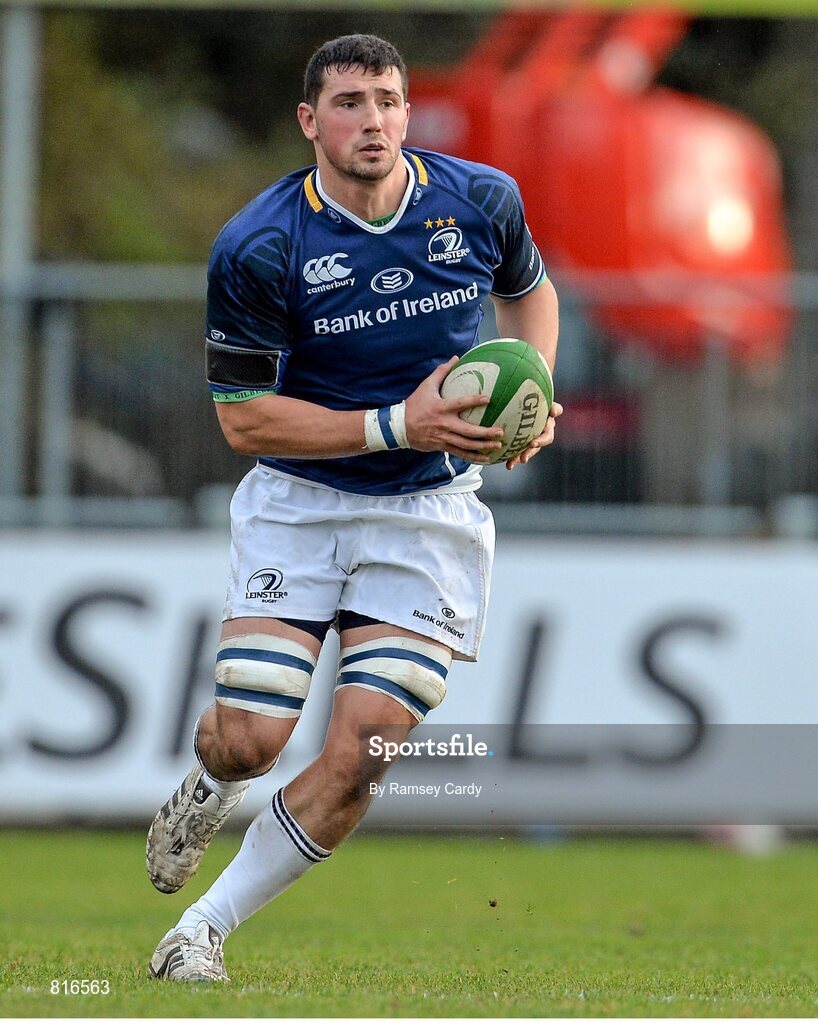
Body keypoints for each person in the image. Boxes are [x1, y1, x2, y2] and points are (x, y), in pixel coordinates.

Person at [146, 32, 561, 983]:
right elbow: (246, 424)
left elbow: (530, 296)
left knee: (366, 747)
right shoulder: (258, 244)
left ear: (407, 113)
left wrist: (536, 391)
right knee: (252, 740)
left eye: (386, 100)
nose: (370, 119)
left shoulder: (480, 200)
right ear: (309, 122)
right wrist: (399, 423)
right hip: (303, 503)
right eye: (348, 103)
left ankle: (198, 933)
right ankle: (211, 784)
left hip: (429, 517)